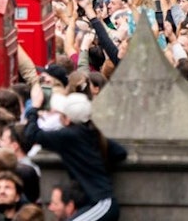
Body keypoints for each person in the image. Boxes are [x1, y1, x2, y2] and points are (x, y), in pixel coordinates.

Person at [24, 87, 126, 221]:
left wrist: (34, 108)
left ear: (67, 119)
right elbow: (120, 153)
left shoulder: (69, 135)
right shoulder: (92, 133)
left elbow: (32, 134)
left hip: (101, 203)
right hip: (99, 202)